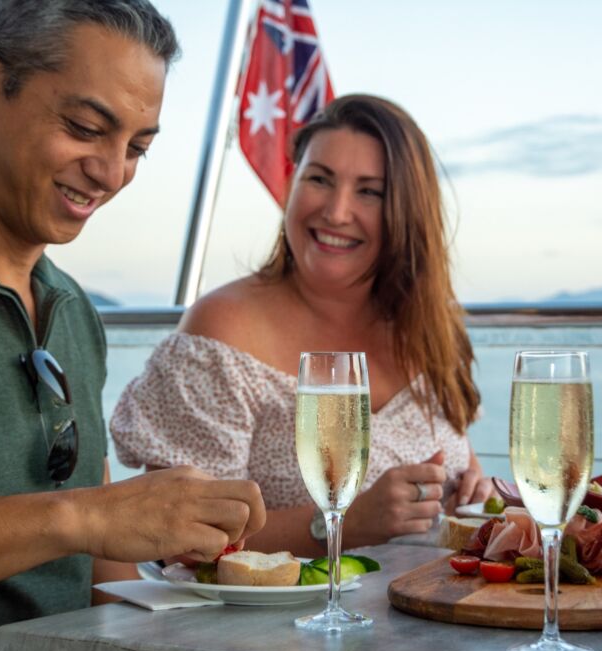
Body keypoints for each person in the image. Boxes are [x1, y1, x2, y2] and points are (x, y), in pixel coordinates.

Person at [0, 2, 265, 651]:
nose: (111, 173)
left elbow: (100, 573)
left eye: (136, 147)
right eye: (85, 128)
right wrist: (81, 517)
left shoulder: (74, 311)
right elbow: (84, 523)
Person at [111, 94, 493, 558]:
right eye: (319, 179)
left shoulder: (429, 329)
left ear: (409, 214)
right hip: (266, 630)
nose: (335, 211)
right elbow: (178, 538)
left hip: (428, 617)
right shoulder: (221, 330)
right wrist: (340, 525)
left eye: (369, 191)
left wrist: (473, 491)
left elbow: (462, 465)